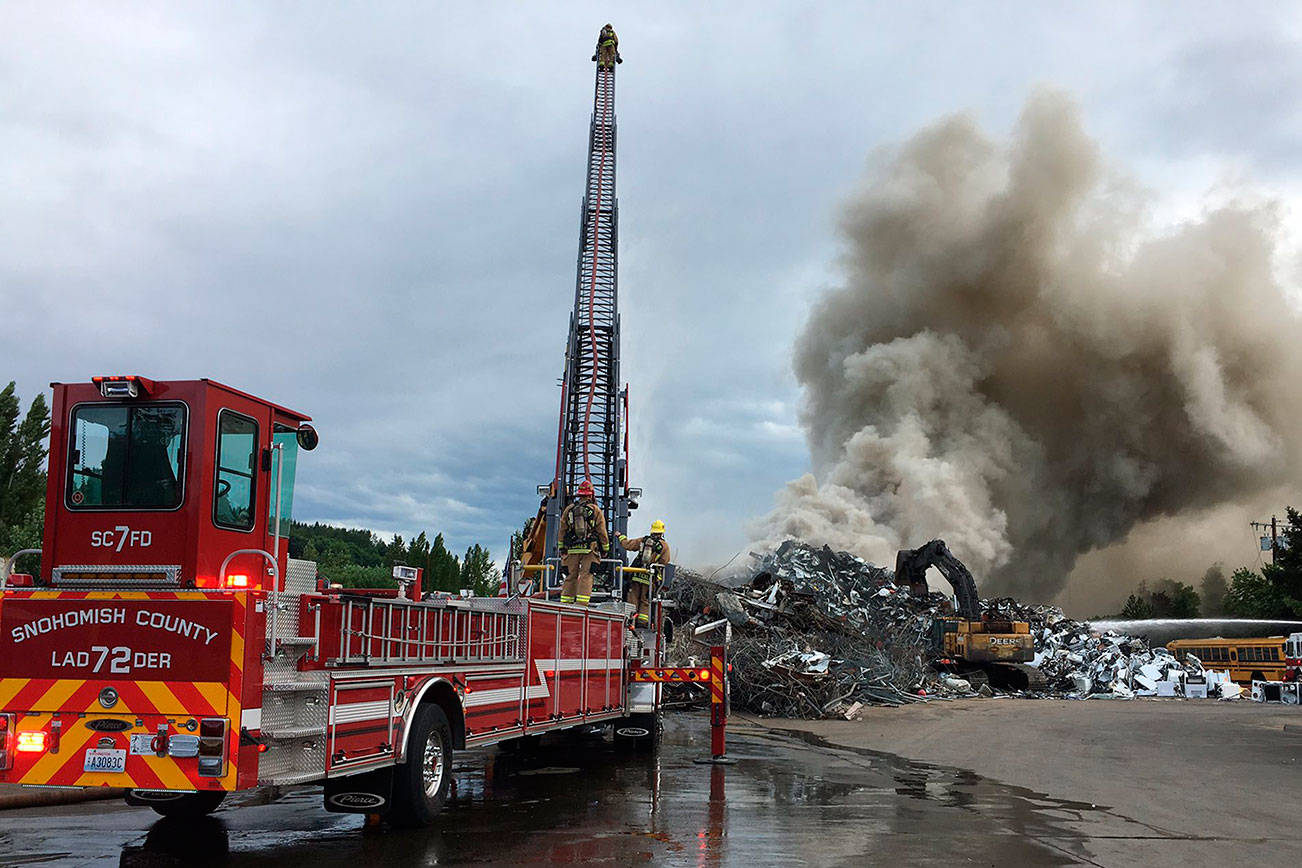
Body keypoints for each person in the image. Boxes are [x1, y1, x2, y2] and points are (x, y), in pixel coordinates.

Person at [560, 479, 609, 605]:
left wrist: (562, 548)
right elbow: (602, 532)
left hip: (572, 548)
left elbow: (562, 530)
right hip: (589, 549)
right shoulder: (595, 510)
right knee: (586, 575)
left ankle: (566, 604)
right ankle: (581, 605)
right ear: (591, 495)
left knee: (570, 576)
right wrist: (605, 549)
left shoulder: (569, 510)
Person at [618, 520, 670, 627]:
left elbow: (627, 545)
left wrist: (620, 537)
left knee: (632, 598)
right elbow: (665, 562)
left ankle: (629, 621)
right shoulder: (664, 546)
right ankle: (642, 623)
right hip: (650, 578)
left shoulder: (643, 540)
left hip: (637, 575)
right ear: (662, 532)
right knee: (645, 600)